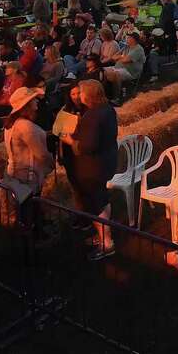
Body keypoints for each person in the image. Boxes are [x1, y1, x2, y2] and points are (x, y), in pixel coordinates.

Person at [60, 80, 118, 260]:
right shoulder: (107, 109)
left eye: (82, 92)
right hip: (106, 162)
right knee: (102, 199)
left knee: (96, 204)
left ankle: (106, 243)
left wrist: (71, 141)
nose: (79, 95)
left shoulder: (93, 116)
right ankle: (102, 236)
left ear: (88, 95)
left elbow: (88, 146)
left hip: (92, 167)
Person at [2, 86, 54, 201]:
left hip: (15, 174)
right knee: (29, 209)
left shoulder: (12, 124)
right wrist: (53, 164)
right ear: (27, 105)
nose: (36, 101)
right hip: (28, 177)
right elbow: (41, 155)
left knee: (22, 209)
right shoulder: (26, 126)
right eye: (33, 99)